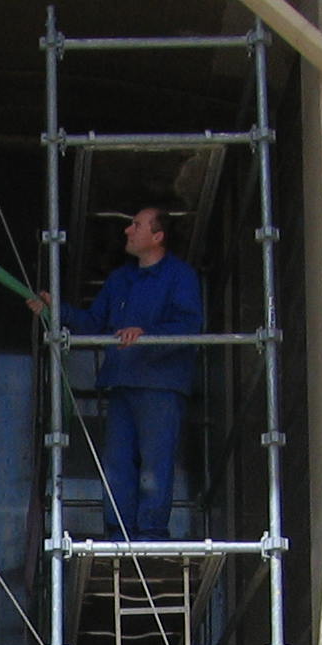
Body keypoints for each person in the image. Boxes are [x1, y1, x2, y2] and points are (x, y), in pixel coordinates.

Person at [28, 206, 204, 539]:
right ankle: (118, 533)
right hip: (122, 383)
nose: (127, 231)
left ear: (157, 236)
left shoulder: (180, 276)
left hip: (160, 384)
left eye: (136, 225)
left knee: (154, 465)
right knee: (117, 463)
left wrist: (145, 335)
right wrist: (55, 309)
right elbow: (94, 322)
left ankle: (150, 534)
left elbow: (189, 325)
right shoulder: (120, 280)